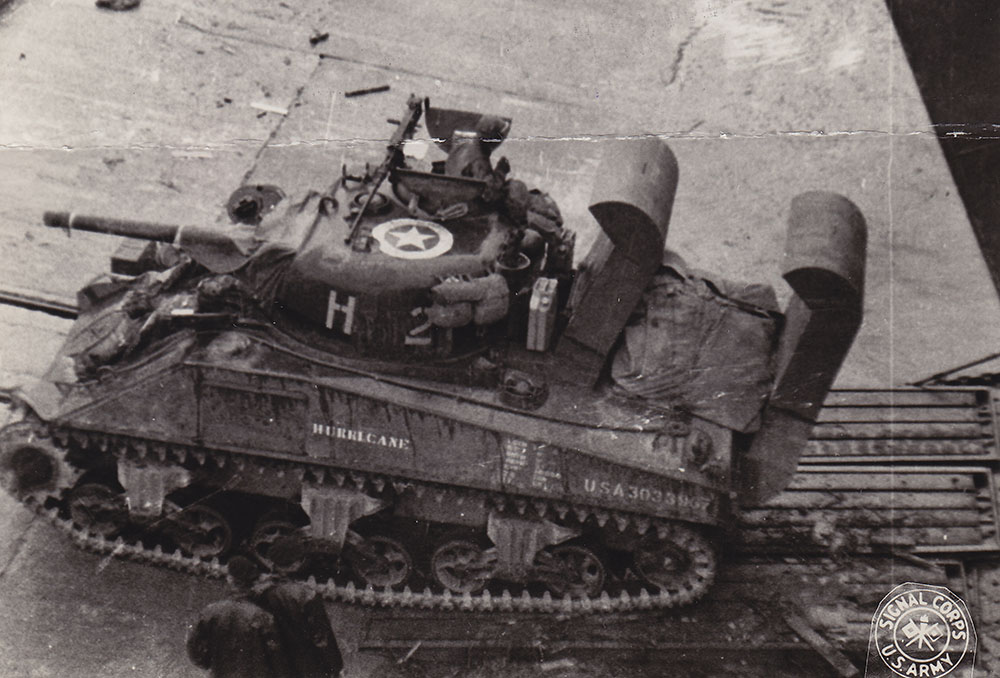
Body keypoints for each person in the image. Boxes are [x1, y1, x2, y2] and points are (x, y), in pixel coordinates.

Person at [186, 556, 294, 678]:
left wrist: (208, 663)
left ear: (230, 579)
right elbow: (277, 659)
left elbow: (193, 647)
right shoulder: (263, 617)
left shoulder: (211, 612)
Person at [255, 536, 344, 678]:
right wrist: (335, 667)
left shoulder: (258, 590)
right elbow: (321, 638)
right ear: (296, 564)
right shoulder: (306, 595)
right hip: (304, 664)